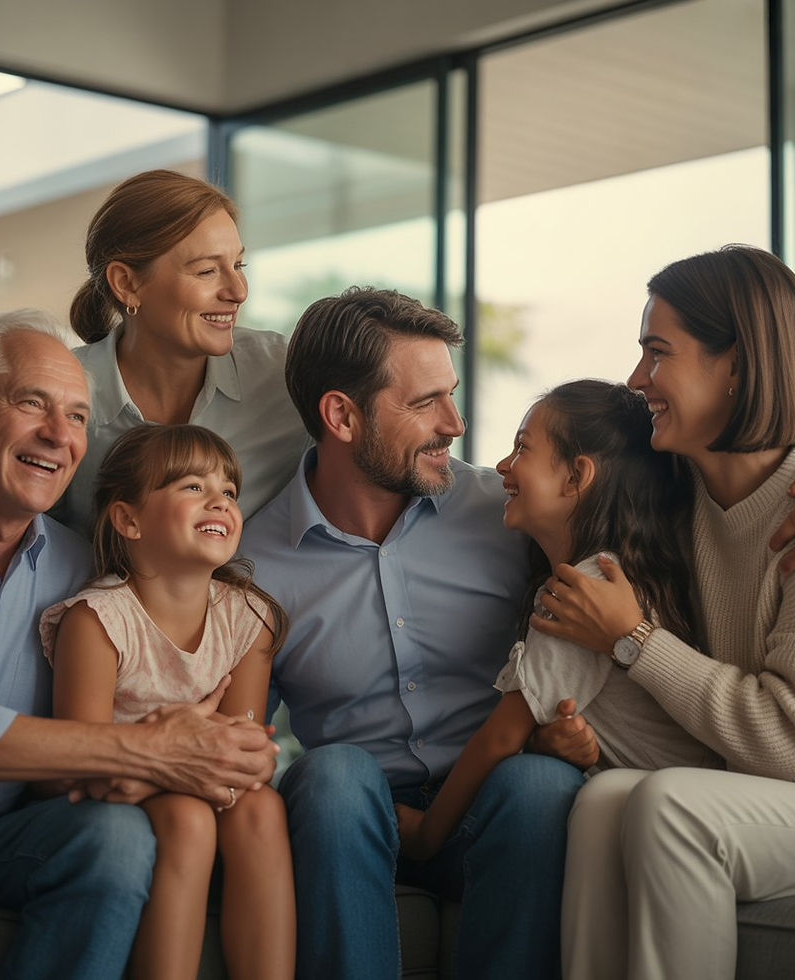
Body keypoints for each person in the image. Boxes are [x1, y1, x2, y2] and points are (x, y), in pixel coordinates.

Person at [0, 312, 278, 980]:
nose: (59, 434)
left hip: (7, 832)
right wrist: (143, 748)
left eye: (78, 416)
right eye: (32, 404)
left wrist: (197, 742)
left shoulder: (88, 571)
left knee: (114, 837)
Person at [240, 287, 592, 980]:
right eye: (425, 402)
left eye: (451, 394)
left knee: (540, 787)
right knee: (334, 777)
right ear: (341, 415)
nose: (455, 423)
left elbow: (646, 516)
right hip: (352, 823)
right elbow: (241, 735)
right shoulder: (254, 563)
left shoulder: (505, 513)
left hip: (493, 802)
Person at [528, 245, 795, 980]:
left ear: (736, 364)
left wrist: (634, 639)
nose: (637, 382)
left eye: (656, 353)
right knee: (604, 804)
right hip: (760, 795)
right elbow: (544, 474)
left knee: (672, 806)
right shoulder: (679, 496)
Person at [0, 168, 310, 535]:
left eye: (238, 265)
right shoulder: (62, 397)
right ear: (127, 283)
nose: (238, 290)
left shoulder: (287, 375)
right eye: (208, 271)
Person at [395, 379, 722, 862]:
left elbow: (500, 737)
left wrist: (427, 836)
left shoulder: (584, 590)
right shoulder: (630, 570)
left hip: (679, 826)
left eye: (522, 447)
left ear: (576, 478)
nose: (504, 466)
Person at [39, 423, 294, 980]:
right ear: (129, 519)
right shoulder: (99, 620)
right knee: (187, 819)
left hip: (202, 785)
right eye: (192, 487)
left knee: (261, 807)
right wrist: (164, 762)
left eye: (229, 491)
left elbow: (248, 754)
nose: (220, 502)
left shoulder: (248, 619)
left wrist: (210, 758)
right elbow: (73, 762)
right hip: (116, 796)